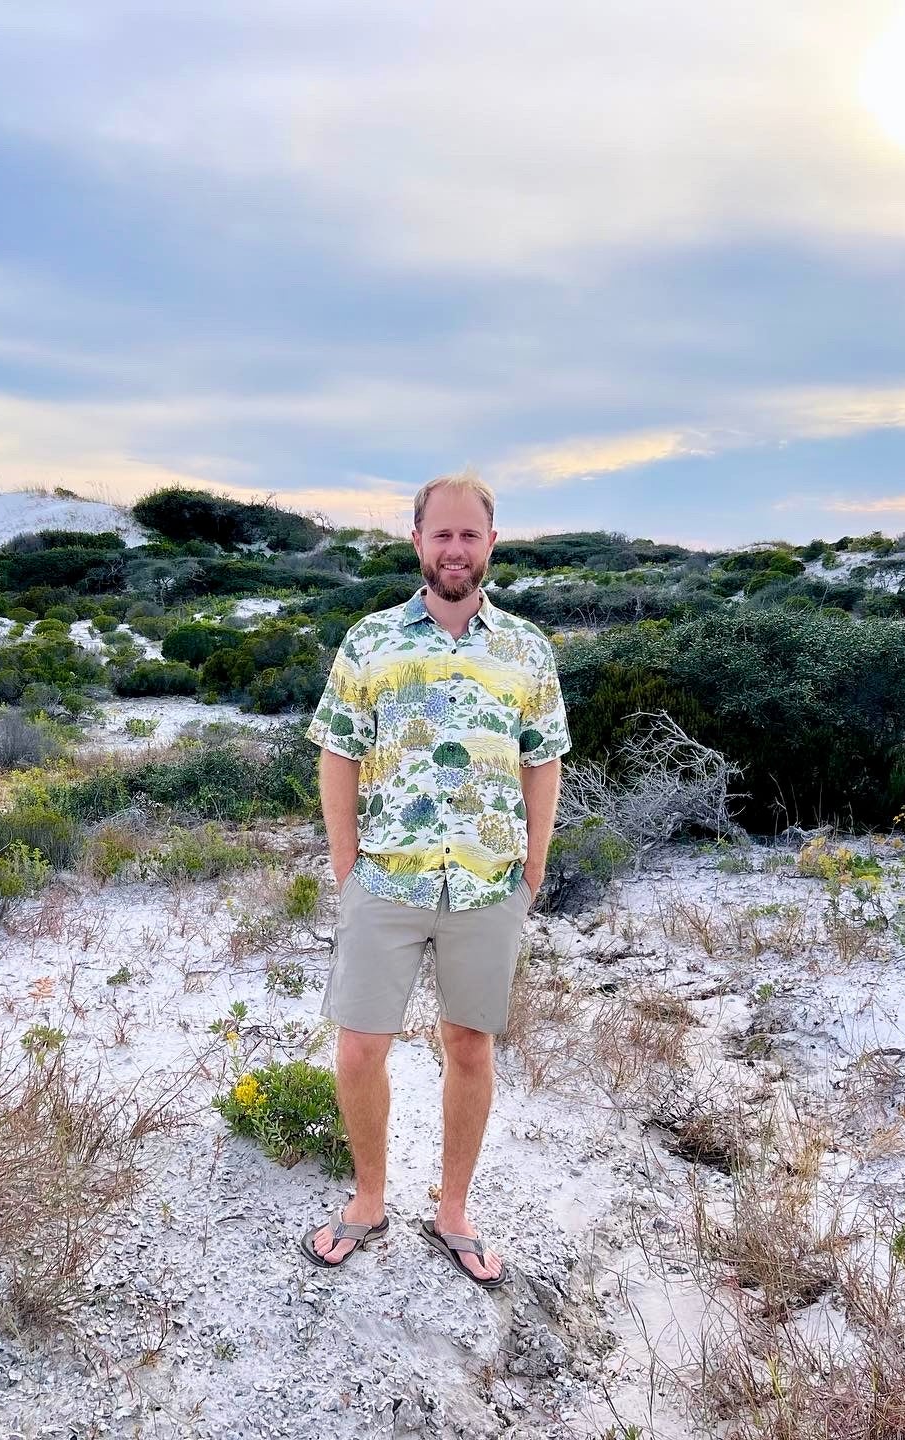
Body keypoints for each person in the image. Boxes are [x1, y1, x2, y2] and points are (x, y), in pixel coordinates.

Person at [300, 470, 570, 1288]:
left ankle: (452, 1212)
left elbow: (542, 760)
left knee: (469, 1046)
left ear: (492, 542)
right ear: (417, 541)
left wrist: (533, 866)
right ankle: (369, 1202)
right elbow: (337, 753)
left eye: (469, 534)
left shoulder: (526, 648)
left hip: (487, 884)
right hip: (386, 877)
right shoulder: (371, 640)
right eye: (440, 534)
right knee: (358, 1049)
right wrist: (347, 867)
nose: (455, 549)